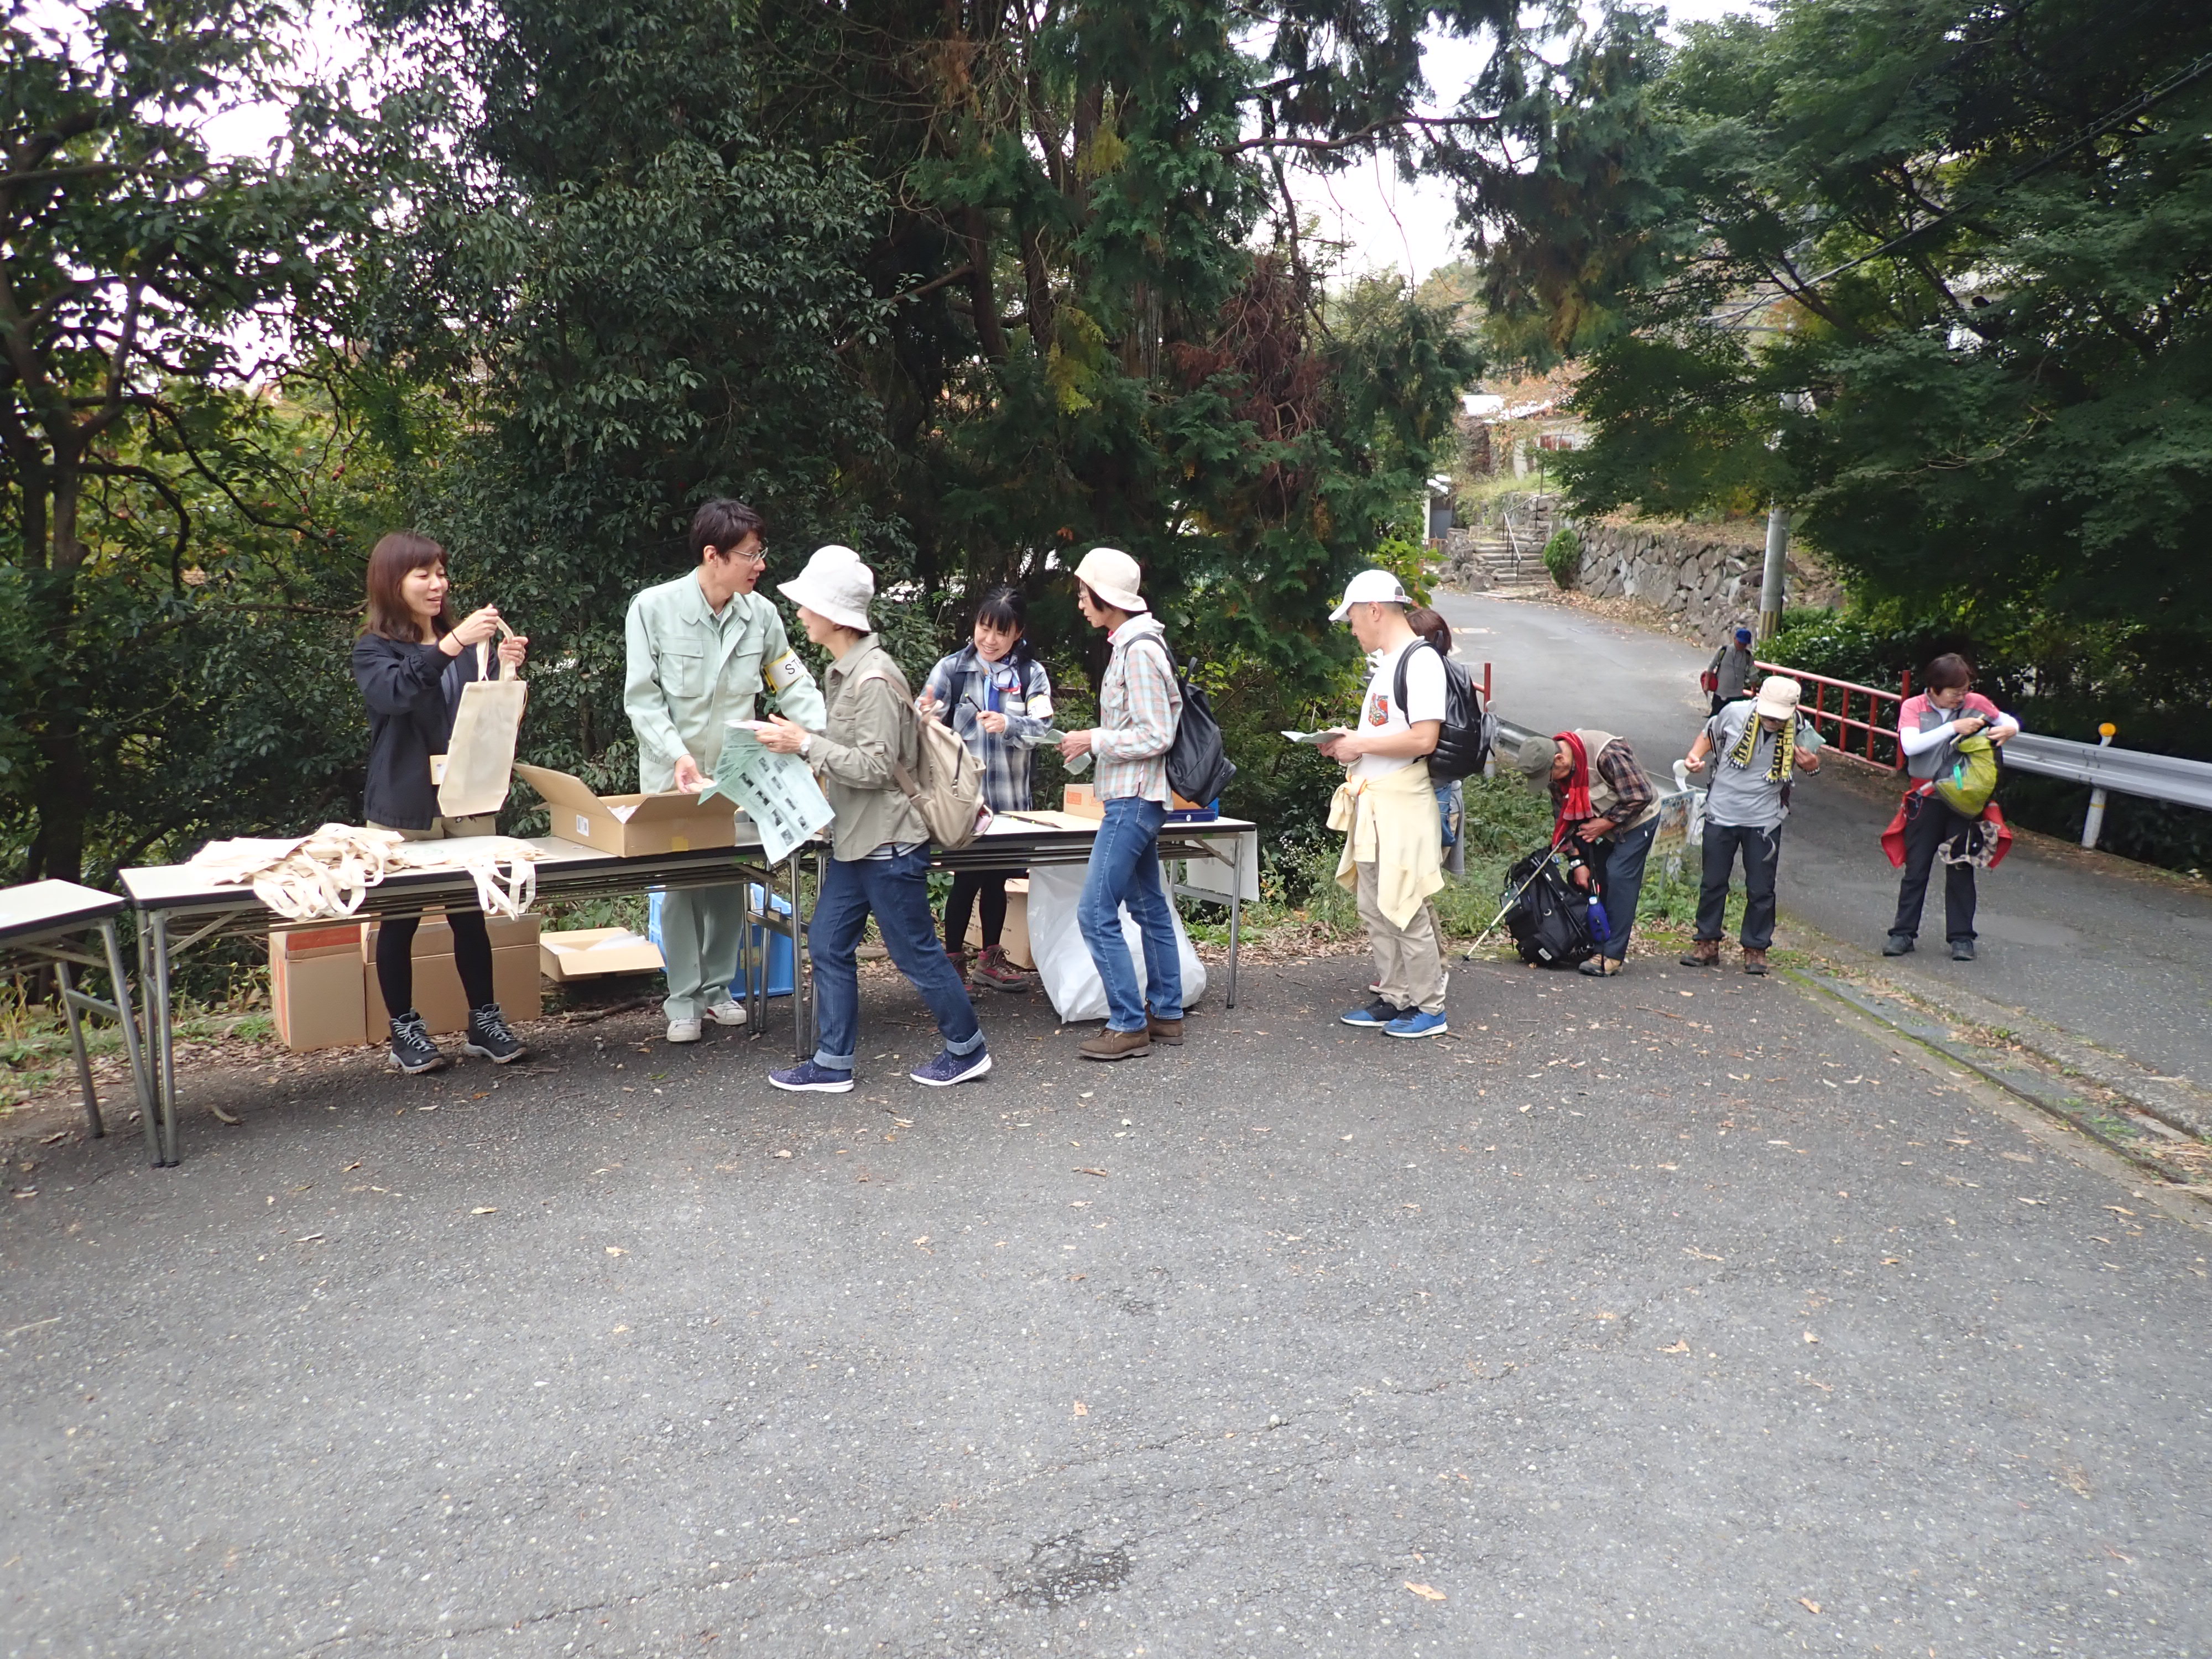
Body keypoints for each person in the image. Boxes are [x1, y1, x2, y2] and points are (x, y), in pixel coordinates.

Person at [753, 545, 990, 1092]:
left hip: (887, 844)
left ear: (835, 616)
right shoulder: (850, 671)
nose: (800, 614)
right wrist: (797, 744)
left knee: (915, 953)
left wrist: (806, 742)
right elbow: (850, 753)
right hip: (857, 843)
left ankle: (967, 1049)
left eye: (807, 605)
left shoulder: (874, 678)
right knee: (828, 945)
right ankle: (832, 1063)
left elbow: (876, 766)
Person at [624, 499, 826, 1044]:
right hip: (674, 775)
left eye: (760, 553)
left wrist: (822, 738)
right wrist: (675, 754)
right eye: (750, 555)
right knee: (682, 887)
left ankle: (719, 990)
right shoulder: (652, 608)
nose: (759, 565)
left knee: (729, 882)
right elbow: (642, 701)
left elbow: (793, 682)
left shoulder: (760, 615)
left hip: (737, 776)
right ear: (713, 555)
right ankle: (683, 999)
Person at [350, 531, 530, 1074]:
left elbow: (486, 720)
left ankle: (484, 1020)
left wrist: (504, 669)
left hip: (466, 799)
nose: (437, 584)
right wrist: (449, 647)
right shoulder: (374, 648)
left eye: (441, 573)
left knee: (469, 913)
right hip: (403, 804)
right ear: (392, 581)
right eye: (423, 574)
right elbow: (395, 694)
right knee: (399, 919)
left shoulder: (462, 643)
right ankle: (404, 1029)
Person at [1056, 547, 1183, 1061]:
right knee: (1149, 906)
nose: (1081, 603)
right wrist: (1092, 742)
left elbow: (1158, 734)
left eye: (1086, 594)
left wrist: (1095, 739)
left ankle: (1129, 1023)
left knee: (1094, 912)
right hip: (1133, 796)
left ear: (1108, 598)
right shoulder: (1132, 645)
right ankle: (1166, 1015)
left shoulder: (1138, 651)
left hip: (1132, 800)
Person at [1321, 571, 1449, 1038]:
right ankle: (1396, 996)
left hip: (1401, 801)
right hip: (1374, 801)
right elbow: (1383, 735)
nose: (1352, 629)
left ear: (1374, 609)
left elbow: (1424, 737)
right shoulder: (1389, 663)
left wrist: (1359, 744)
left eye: (1353, 618)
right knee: (1374, 904)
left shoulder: (1420, 661)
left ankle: (1430, 1006)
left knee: (1404, 903)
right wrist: (1348, 745)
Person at [917, 585, 1055, 992]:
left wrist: (1010, 725)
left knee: (997, 878)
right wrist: (926, 714)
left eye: (1001, 631)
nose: (990, 639)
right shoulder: (952, 669)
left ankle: (990, 958)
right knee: (966, 877)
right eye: (984, 627)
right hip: (964, 802)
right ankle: (953, 962)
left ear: (1018, 633)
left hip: (1010, 804)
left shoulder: (1032, 675)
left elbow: (1044, 729)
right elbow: (923, 716)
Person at [1680, 674, 1824, 975]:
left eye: (1779, 716)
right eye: (1769, 713)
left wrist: (1812, 767)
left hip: (1765, 819)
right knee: (1713, 881)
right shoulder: (1734, 713)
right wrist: (1694, 757)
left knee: (1761, 888)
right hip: (1722, 811)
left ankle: (1756, 947)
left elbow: (1813, 758)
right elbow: (1707, 735)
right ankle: (1706, 942)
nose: (1773, 720)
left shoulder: (1798, 726)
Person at [1886, 653, 2020, 962]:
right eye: (1954, 692)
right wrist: (1953, 728)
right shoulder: (1913, 707)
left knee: (1961, 866)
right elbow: (1910, 746)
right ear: (1933, 688)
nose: (1961, 697)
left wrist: (2011, 729)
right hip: (1925, 797)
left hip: (1965, 801)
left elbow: (2006, 720)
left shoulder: (1976, 702)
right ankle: (1902, 934)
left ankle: (1962, 938)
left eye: (1965, 690)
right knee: (1916, 868)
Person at [1514, 727, 1659, 977]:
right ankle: (1588, 941)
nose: (1550, 782)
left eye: (1549, 775)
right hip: (1595, 823)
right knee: (1589, 878)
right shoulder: (1559, 773)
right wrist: (1577, 862)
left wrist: (1606, 824)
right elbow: (1563, 820)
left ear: (1559, 759)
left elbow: (1640, 796)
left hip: (1637, 820)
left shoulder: (1607, 754)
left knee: (1618, 876)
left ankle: (1611, 955)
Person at [1404, 605, 1465, 870]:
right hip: (1447, 790)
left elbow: (1423, 741)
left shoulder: (1427, 678)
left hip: (1430, 793)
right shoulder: (1457, 673)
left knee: (1414, 889)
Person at [1708, 626, 1756, 715]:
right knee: (1715, 719)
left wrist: (1754, 690)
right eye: (1740, 643)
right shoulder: (1724, 651)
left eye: (1744, 644)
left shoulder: (1748, 656)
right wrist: (1706, 685)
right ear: (1734, 639)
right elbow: (1711, 667)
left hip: (1737, 695)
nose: (1742, 646)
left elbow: (1753, 674)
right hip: (1720, 693)